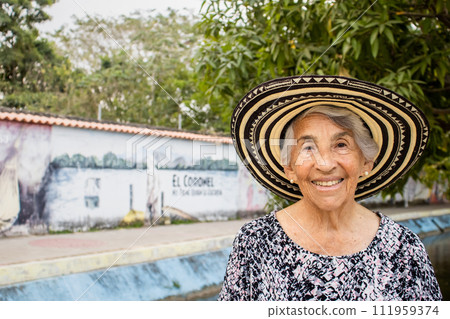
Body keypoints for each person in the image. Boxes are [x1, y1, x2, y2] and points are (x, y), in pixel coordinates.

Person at [219, 75, 442, 301]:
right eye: (307, 147)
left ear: (366, 162)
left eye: (341, 145)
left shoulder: (404, 249)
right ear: (290, 169)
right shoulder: (254, 243)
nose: (325, 164)